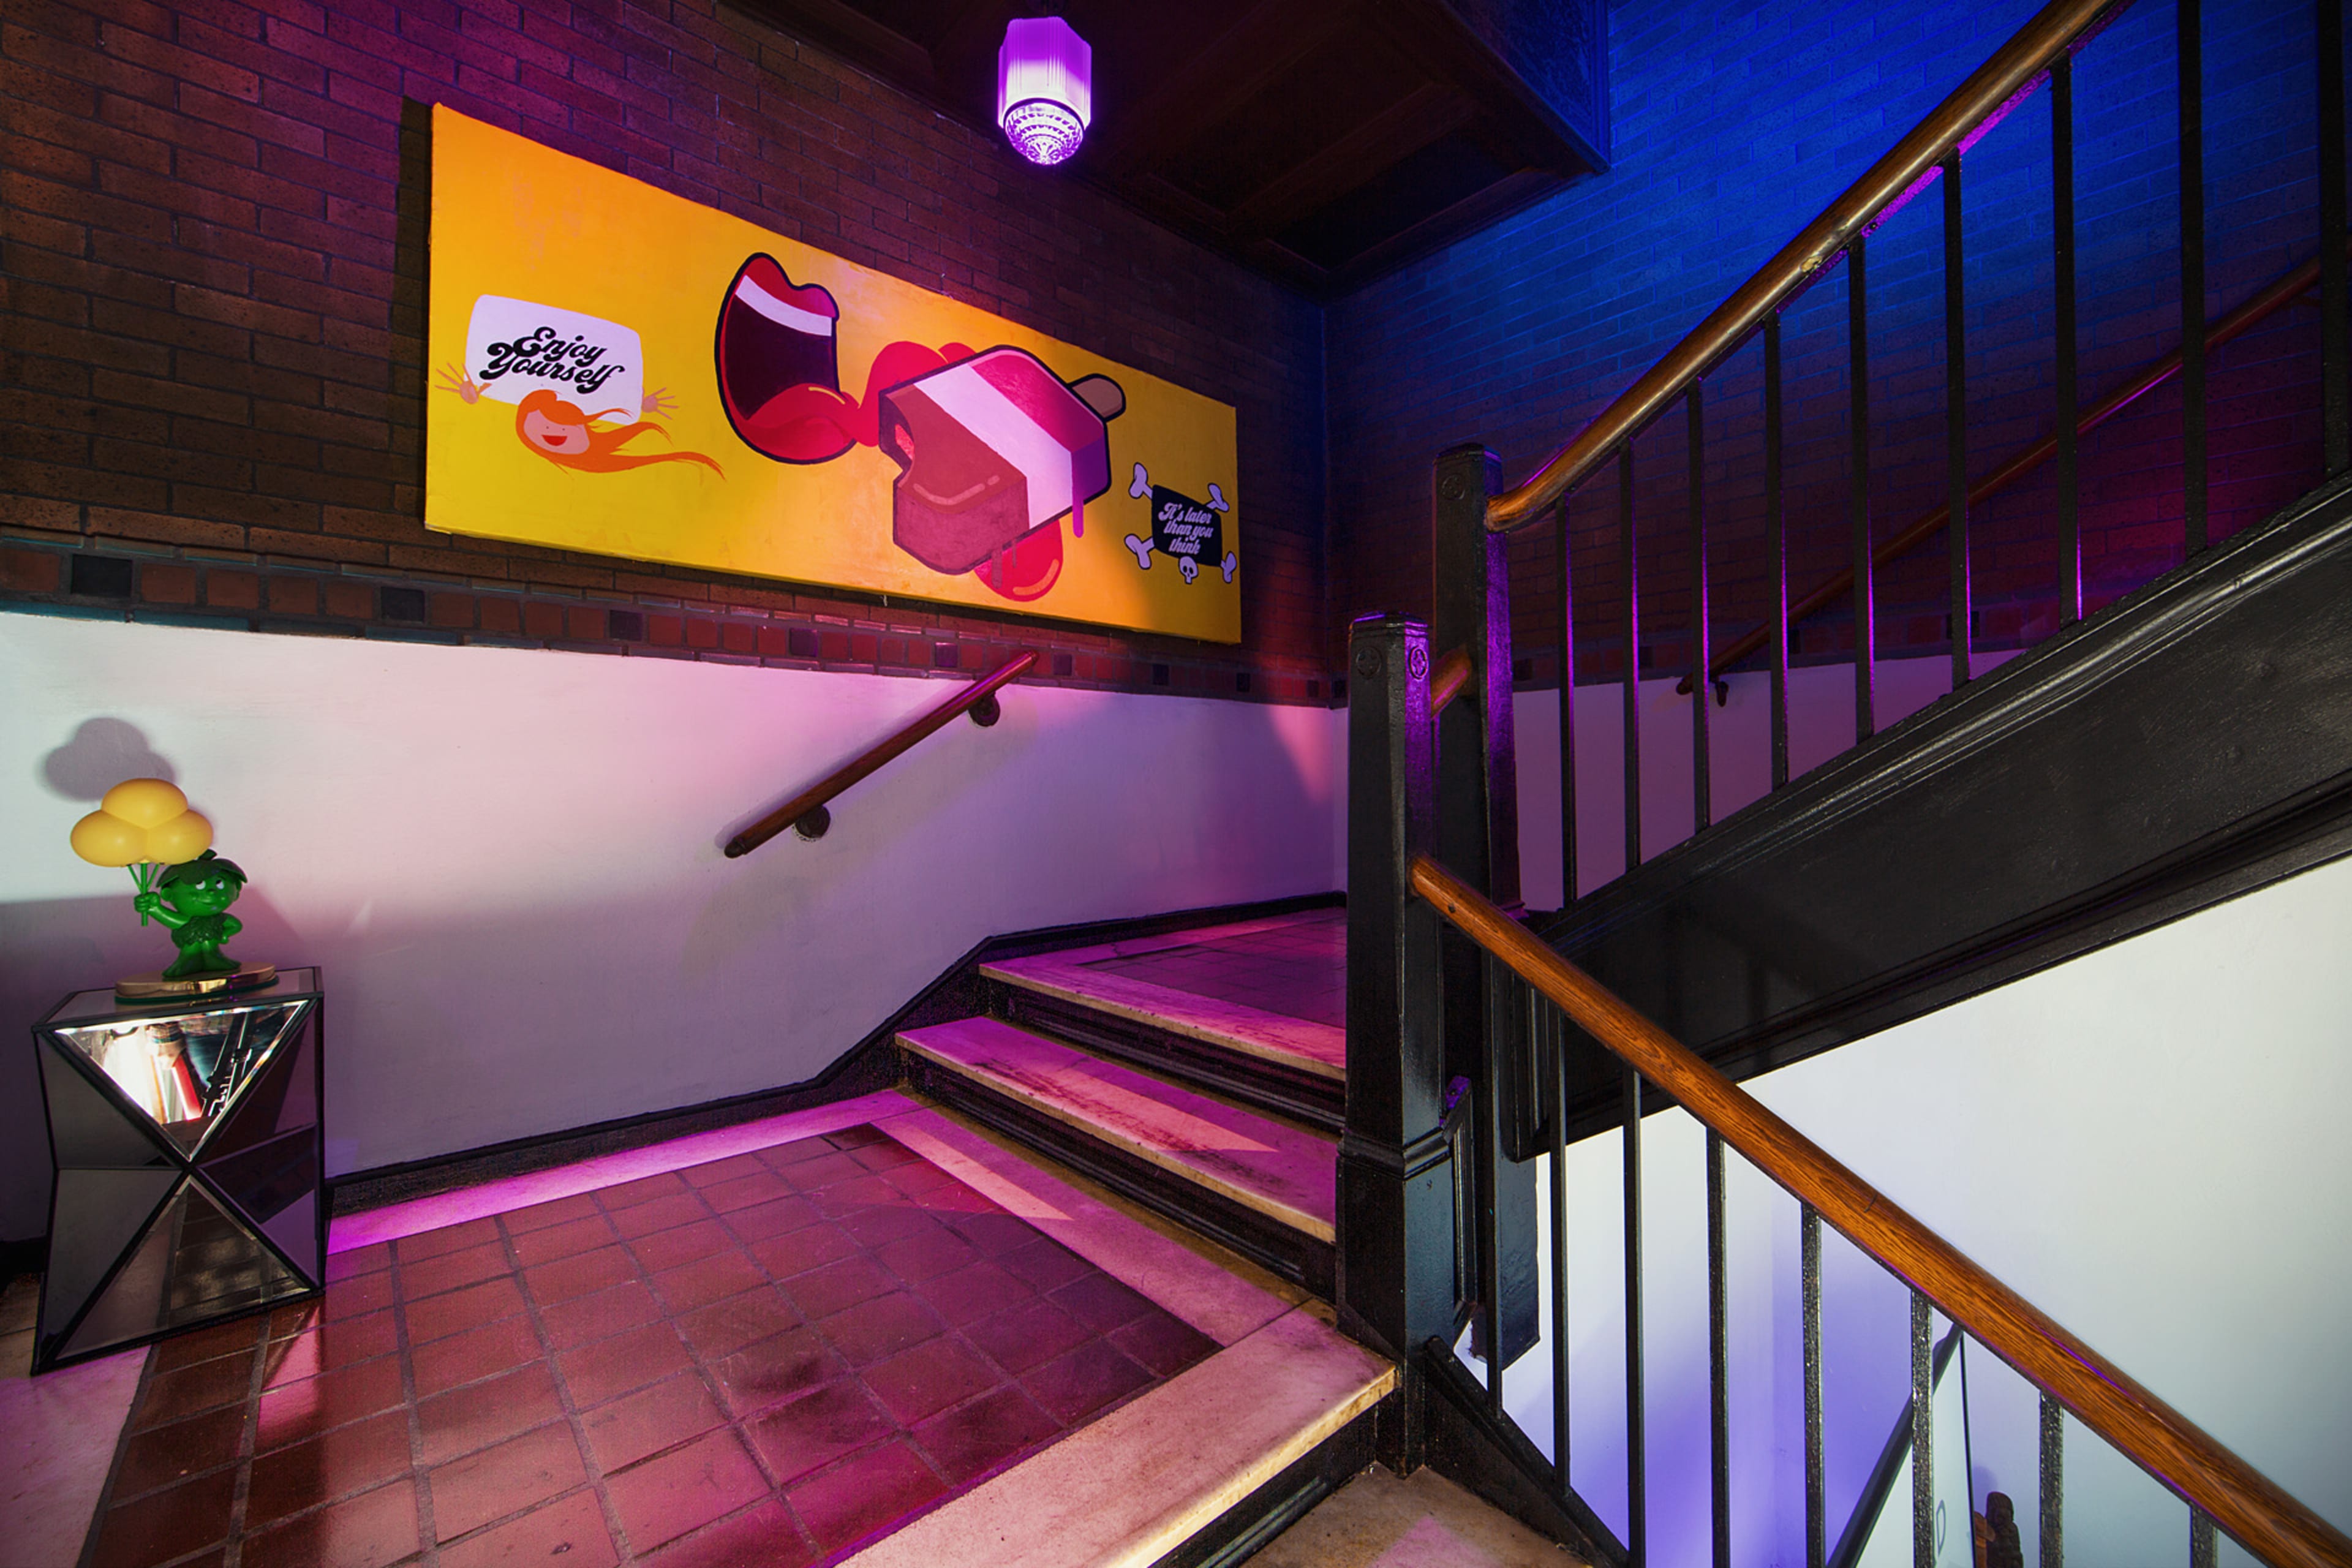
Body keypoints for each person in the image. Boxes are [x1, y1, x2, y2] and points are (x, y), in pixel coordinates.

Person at [133, 850, 250, 979]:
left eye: (219, 884)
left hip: (212, 943)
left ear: (237, 891)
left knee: (210, 948)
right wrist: (155, 909)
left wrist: (224, 934)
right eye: (200, 885)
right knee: (191, 948)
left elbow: (236, 926)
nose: (211, 892)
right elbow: (177, 922)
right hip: (189, 940)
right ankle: (188, 961)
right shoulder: (188, 920)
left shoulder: (220, 919)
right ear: (168, 894)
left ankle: (214, 958)